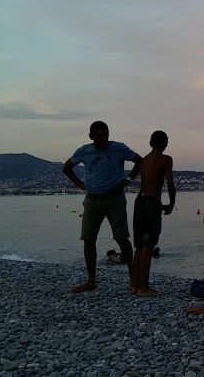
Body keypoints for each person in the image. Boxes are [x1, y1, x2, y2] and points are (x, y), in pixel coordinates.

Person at [63, 121, 142, 292]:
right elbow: (67, 167)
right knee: (88, 238)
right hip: (93, 199)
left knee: (121, 237)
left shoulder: (118, 148)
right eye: (100, 136)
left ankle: (134, 278)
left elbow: (139, 161)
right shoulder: (84, 151)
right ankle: (91, 280)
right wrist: (80, 184)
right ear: (91, 136)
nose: (104, 138)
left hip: (115, 198)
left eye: (106, 134)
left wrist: (129, 179)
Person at [132, 130, 175, 297]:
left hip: (139, 201)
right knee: (148, 245)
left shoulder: (143, 160)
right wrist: (171, 203)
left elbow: (131, 177)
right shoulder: (166, 159)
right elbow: (170, 184)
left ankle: (135, 285)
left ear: (150, 143)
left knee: (139, 245)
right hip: (152, 202)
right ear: (166, 144)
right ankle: (144, 288)